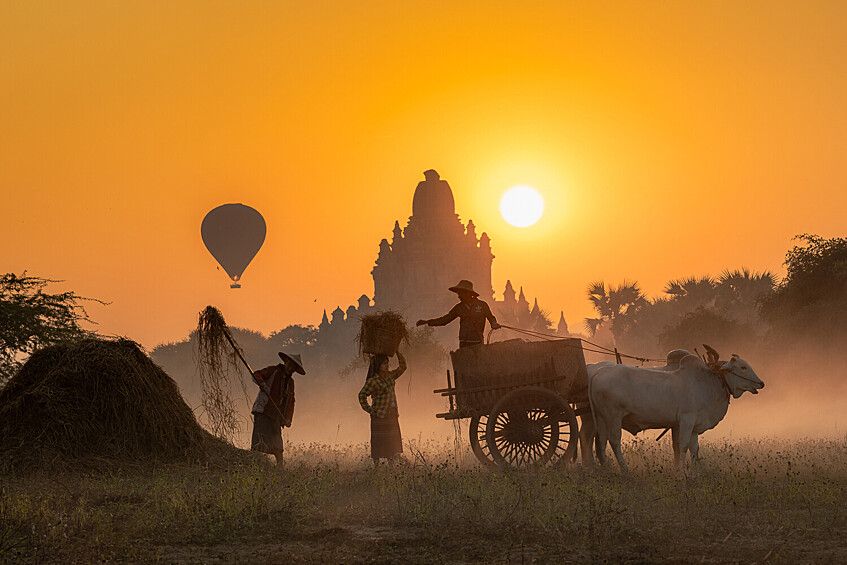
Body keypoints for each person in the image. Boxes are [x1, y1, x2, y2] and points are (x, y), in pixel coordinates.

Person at [251, 351, 305, 467]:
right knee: (259, 441)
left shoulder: (290, 383)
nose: (290, 368)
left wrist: (288, 418)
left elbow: (291, 402)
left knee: (278, 445)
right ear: (285, 362)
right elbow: (256, 374)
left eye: (293, 367)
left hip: (276, 415)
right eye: (289, 365)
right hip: (264, 410)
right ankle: (253, 464)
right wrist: (262, 383)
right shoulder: (273, 370)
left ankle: (280, 468)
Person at [416, 279, 501, 348]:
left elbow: (491, 317)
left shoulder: (482, 305)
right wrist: (428, 322)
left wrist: (494, 323)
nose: (458, 296)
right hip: (463, 343)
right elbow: (445, 320)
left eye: (460, 293)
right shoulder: (459, 308)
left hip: (477, 342)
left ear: (468, 293)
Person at [358, 351, 407, 464]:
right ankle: (377, 466)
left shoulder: (390, 376)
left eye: (387, 363)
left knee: (392, 442)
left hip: (392, 413)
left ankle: (391, 466)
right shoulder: (373, 381)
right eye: (384, 364)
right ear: (378, 366)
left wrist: (397, 352)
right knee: (379, 442)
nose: (387, 365)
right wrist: (370, 410)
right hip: (379, 414)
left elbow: (403, 367)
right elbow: (362, 395)